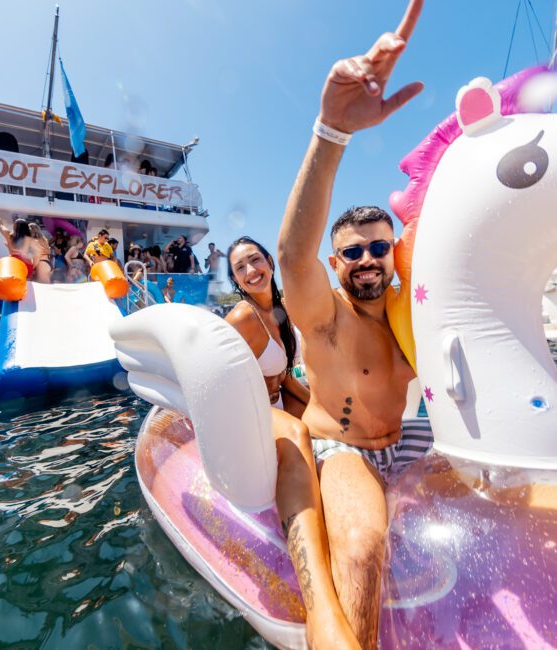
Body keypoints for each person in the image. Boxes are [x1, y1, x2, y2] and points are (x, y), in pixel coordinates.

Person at [276, 2, 427, 648]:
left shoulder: (407, 309)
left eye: (378, 247)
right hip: (345, 449)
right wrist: (331, 130)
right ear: (337, 262)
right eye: (353, 251)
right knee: (363, 548)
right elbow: (290, 254)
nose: (368, 259)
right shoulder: (326, 315)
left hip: (409, 440)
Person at [226, 237, 310, 416]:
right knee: (300, 433)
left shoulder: (282, 311)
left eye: (255, 259)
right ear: (235, 279)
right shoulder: (243, 317)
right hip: (250, 414)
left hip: (278, 404)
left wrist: (319, 407)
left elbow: (284, 379)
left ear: (269, 262)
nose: (250, 270)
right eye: (240, 267)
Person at [0, 200, 35, 279]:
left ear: (15, 227)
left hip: (15, 265)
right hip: (28, 266)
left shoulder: (9, 236)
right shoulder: (29, 238)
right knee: (27, 288)